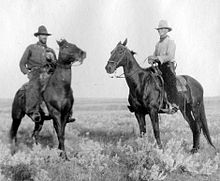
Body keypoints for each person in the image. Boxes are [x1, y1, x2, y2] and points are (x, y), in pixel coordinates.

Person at [19, 25, 75, 122]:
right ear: (38, 36)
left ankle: (67, 113)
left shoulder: (51, 50)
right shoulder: (31, 48)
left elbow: (56, 66)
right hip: (36, 73)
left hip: (49, 73)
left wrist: (57, 61)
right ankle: (33, 111)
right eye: (42, 35)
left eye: (46, 35)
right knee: (35, 86)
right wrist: (27, 72)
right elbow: (22, 63)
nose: (44, 37)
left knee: (65, 88)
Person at [148, 20, 179, 113]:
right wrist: (151, 58)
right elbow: (155, 54)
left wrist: (157, 58)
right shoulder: (158, 44)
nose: (160, 31)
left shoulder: (170, 42)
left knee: (170, 81)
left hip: (168, 66)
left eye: (162, 29)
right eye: (159, 29)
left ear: (166, 30)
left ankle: (174, 104)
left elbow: (170, 56)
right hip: (160, 67)